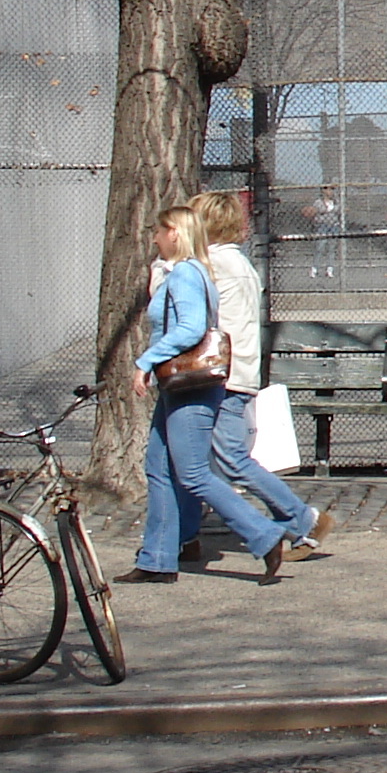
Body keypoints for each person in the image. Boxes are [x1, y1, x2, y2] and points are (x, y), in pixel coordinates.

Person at [161, 190, 331, 572]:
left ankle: (302, 517)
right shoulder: (237, 263)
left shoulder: (213, 266)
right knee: (203, 459)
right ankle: (187, 534)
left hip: (223, 376)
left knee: (229, 459)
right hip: (237, 371)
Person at [126, 207, 296, 584]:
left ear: (175, 234)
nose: (155, 237)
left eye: (160, 231)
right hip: (179, 385)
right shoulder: (188, 271)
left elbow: (190, 328)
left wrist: (146, 361)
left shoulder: (186, 273)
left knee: (192, 474)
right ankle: (157, 559)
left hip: (192, 385)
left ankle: (265, 535)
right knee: (159, 467)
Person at [305, 186, 343, 282]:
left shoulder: (336, 202)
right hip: (322, 226)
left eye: (331, 189)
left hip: (333, 226)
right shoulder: (318, 202)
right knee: (320, 247)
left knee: (331, 247)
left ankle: (330, 269)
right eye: (327, 189)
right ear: (323, 191)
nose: (330, 191)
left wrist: (331, 209)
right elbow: (318, 210)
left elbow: (338, 211)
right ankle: (315, 268)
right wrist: (326, 210)